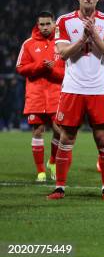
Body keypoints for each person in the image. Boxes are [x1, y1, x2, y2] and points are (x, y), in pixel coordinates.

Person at [47, 0, 104, 201]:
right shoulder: (64, 21)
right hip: (73, 87)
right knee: (66, 136)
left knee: (102, 138)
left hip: (99, 88)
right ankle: (60, 188)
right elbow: (63, 53)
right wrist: (82, 39)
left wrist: (94, 35)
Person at [16, 11, 65, 182]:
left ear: (54, 24)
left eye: (48, 24)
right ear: (37, 25)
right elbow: (20, 68)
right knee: (38, 131)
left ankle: (52, 161)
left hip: (56, 95)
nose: (45, 27)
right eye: (41, 24)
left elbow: (68, 72)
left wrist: (52, 69)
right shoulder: (28, 44)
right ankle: (41, 172)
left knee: (59, 131)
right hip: (35, 95)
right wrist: (40, 66)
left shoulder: (61, 44)